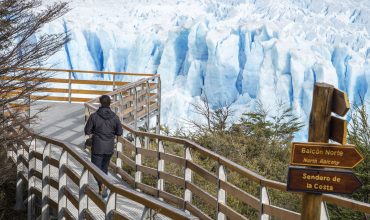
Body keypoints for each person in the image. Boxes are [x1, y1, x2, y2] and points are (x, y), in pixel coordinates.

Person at [84, 95, 123, 198]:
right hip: (109, 148)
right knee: (104, 169)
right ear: (110, 103)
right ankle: (102, 187)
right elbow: (119, 132)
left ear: (100, 103)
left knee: (95, 169)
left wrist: (94, 131)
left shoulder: (94, 116)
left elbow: (87, 131)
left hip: (97, 147)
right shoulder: (115, 117)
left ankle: (102, 185)